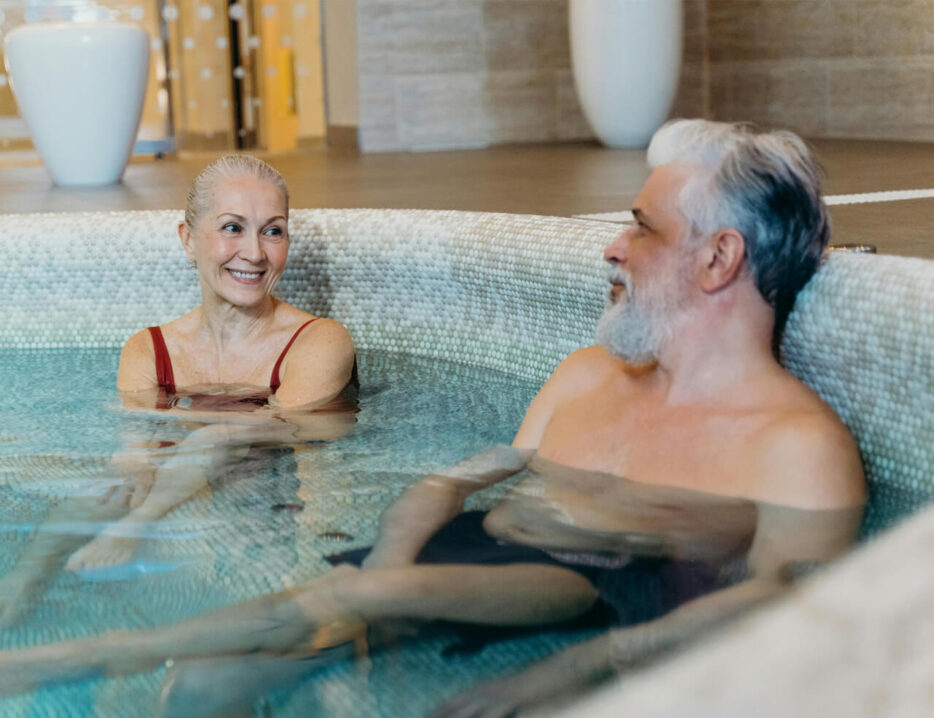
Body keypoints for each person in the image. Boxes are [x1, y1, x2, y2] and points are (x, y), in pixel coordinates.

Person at [0, 121, 865, 715]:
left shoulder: (796, 447)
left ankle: (63, 658)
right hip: (458, 556)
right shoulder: (586, 374)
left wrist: (590, 662)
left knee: (351, 601)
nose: (611, 245)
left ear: (719, 258)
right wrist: (391, 563)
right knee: (201, 686)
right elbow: (461, 477)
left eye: (641, 227)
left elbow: (790, 603)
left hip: (584, 584)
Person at [0, 154, 357, 624]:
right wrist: (131, 478)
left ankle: (130, 537)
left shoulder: (320, 341)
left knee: (228, 431)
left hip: (276, 506)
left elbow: (282, 445)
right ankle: (22, 585)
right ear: (188, 239)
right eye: (232, 228)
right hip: (187, 495)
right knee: (113, 480)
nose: (254, 253)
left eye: (273, 231)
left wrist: (139, 521)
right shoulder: (148, 351)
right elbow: (137, 455)